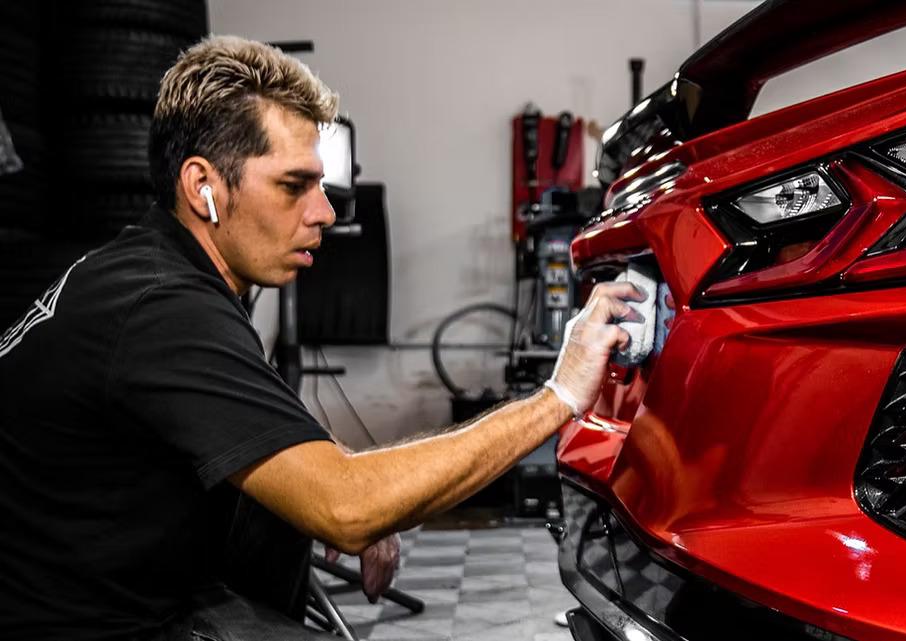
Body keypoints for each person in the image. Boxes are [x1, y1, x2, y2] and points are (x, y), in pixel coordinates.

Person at [0, 35, 643, 640]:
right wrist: (558, 395)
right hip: (90, 626)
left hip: (113, 587)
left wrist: (355, 486)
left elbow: (248, 419)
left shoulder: (148, 272)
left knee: (287, 502)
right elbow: (347, 508)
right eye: (293, 186)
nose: (326, 213)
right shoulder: (164, 309)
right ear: (203, 188)